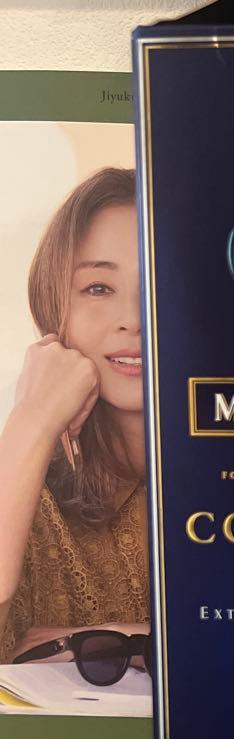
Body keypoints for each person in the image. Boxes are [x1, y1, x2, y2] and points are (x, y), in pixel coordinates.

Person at [0, 167, 149, 669]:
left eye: (160, 284)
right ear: (53, 308)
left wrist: (125, 641)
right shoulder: (23, 483)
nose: (134, 319)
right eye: (98, 288)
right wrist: (32, 419)